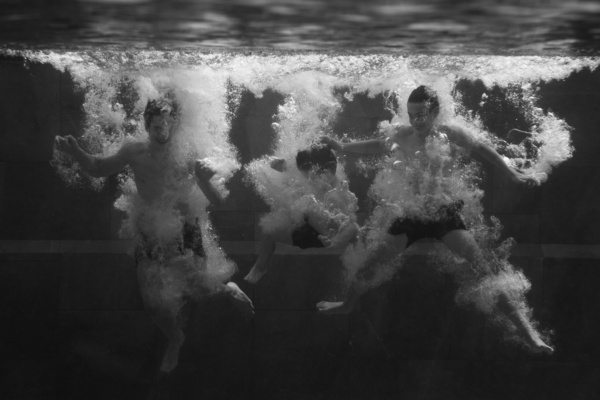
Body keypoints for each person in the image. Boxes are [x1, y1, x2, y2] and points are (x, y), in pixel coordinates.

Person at [316, 85, 553, 355]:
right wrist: (341, 145)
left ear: (435, 112)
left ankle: (529, 334)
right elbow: (375, 145)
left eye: (421, 115)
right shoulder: (402, 135)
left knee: (483, 270)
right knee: (372, 261)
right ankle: (347, 304)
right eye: (411, 115)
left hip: (443, 213)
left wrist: (511, 172)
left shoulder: (450, 134)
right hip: (411, 215)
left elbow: (483, 149)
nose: (415, 121)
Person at [55, 96, 254, 373]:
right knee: (151, 303)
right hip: (150, 229)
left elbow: (219, 202)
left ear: (173, 123)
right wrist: (76, 151)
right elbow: (98, 169)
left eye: (167, 123)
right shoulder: (134, 151)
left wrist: (205, 180)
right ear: (147, 125)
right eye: (156, 124)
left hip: (185, 229)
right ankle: (175, 336)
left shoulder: (187, 154)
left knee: (200, 290)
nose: (162, 129)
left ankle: (228, 289)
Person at [244, 142, 359, 284]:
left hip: (323, 233)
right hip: (309, 225)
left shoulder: (334, 185)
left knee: (312, 205)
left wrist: (338, 237)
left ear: (326, 169)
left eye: (308, 170)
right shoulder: (319, 171)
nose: (308, 176)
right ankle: (260, 266)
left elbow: (348, 222)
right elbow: (299, 171)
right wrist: (284, 166)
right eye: (305, 171)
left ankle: (341, 238)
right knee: (269, 232)